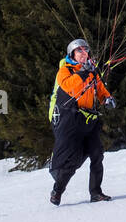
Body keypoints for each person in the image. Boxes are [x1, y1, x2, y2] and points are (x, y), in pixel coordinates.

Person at [49, 38, 115, 205]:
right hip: (71, 120)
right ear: (72, 54)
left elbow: (99, 88)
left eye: (85, 50)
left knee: (97, 154)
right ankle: (58, 190)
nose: (83, 53)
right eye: (79, 51)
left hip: (89, 120)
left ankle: (96, 192)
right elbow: (70, 88)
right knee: (72, 160)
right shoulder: (65, 71)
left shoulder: (92, 71)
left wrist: (106, 98)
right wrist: (83, 72)